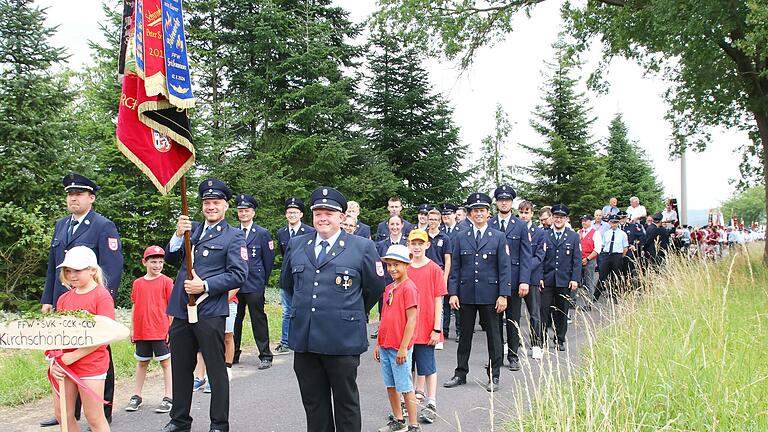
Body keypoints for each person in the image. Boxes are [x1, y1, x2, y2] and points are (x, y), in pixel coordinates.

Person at [280, 186, 386, 432]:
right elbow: (288, 284)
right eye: (318, 213)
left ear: (341, 217)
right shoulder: (297, 245)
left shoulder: (361, 247)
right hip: (306, 341)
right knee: (314, 404)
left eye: (329, 213)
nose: (323, 218)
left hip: (342, 340)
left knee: (346, 404)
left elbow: (373, 288)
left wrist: (346, 312)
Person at [162, 178, 248, 432]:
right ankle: (179, 421)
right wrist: (178, 235)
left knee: (215, 369)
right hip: (181, 309)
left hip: (210, 311)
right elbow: (170, 257)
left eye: (216, 203)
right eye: (207, 203)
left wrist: (206, 286)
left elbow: (238, 274)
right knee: (180, 367)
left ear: (225, 206)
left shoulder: (233, 237)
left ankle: (219, 424)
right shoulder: (192, 230)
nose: (211, 207)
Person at [40, 173, 123, 428]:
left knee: (96, 353)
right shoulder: (61, 225)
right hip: (64, 301)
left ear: (91, 198)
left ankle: (100, 409)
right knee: (66, 351)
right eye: (70, 194)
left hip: (93, 305)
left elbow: (112, 267)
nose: (73, 198)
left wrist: (102, 305)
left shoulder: (102, 225)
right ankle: (67, 410)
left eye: (79, 194)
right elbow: (55, 266)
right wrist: (48, 299)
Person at [443, 192, 511, 392]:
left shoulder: (498, 237)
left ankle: (494, 375)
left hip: (490, 295)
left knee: (494, 336)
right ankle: (460, 373)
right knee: (464, 336)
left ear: (488, 213)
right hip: (466, 294)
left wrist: (503, 295)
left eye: (482, 210)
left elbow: (504, 268)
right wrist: (453, 293)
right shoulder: (460, 237)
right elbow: (455, 267)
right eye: (475, 211)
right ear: (470, 214)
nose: (478, 214)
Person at [47, 246, 114, 432]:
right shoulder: (63, 299)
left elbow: (106, 335)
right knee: (63, 415)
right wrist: (55, 360)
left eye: (77, 270)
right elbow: (58, 333)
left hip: (91, 364)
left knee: (94, 417)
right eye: (67, 271)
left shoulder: (102, 296)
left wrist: (73, 356)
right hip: (64, 365)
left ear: (92, 270)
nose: (71, 275)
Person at [374, 244, 421, 432]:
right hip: (385, 344)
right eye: (390, 265)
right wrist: (378, 343)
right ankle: (398, 419)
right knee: (390, 385)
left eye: (397, 265)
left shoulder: (409, 288)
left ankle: (413, 424)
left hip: (399, 347)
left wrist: (403, 347)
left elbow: (411, 320)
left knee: (405, 386)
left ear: (406, 265)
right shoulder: (389, 288)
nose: (392, 269)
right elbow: (384, 318)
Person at [488, 185, 533, 372]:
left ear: (512, 203)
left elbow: (526, 255)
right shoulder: (490, 225)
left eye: (507, 200)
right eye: (500, 200)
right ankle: (496, 357)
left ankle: (513, 355)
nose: (504, 202)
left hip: (514, 281)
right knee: (494, 322)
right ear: (496, 202)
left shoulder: (520, 226)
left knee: (513, 319)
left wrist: (524, 280)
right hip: (493, 281)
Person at [404, 230, 446, 424]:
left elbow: (438, 300)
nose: (417, 247)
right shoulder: (404, 268)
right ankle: (408, 404)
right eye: (414, 243)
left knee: (428, 367)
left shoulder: (434, 269)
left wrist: (437, 328)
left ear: (428, 245)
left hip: (427, 326)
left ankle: (431, 403)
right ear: (408, 244)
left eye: (421, 243)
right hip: (407, 329)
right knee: (407, 368)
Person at [126, 245, 173, 414]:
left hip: (160, 329)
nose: (157, 265)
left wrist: (170, 329)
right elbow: (134, 305)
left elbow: (172, 307)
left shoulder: (167, 281)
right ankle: (136, 396)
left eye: (160, 262)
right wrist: (132, 329)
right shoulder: (137, 283)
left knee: (166, 363)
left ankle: (168, 397)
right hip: (142, 330)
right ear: (144, 262)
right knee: (142, 362)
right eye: (153, 261)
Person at [232, 194, 275, 368]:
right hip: (235, 284)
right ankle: (233, 354)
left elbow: (269, 260)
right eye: (241, 211)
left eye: (246, 210)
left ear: (253, 213)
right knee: (235, 319)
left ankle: (265, 355)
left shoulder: (262, 233)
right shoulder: (233, 232)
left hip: (254, 283)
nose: (243, 213)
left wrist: (261, 281)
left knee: (258, 319)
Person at [275, 197, 315, 355]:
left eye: (295, 212)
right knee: (287, 311)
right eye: (289, 212)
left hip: (304, 276)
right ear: (285, 214)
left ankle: (305, 338)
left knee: (305, 308)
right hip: (287, 277)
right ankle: (285, 341)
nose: (292, 215)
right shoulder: (281, 233)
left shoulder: (310, 232)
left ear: (301, 214)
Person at [539, 204, 581, 351]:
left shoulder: (573, 236)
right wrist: (539, 277)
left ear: (566, 219)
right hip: (547, 280)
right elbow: (541, 258)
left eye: (561, 217)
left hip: (564, 280)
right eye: (556, 217)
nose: (558, 220)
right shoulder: (544, 235)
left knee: (562, 311)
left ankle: (559, 339)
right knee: (543, 310)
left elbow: (576, 260)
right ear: (552, 218)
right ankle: (541, 339)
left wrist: (575, 278)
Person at [517, 200, 545, 358]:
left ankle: (536, 344)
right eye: (521, 212)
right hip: (515, 278)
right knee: (513, 314)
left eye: (526, 212)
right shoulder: (514, 229)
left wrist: (524, 269)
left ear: (532, 214)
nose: (523, 215)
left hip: (531, 278)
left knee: (534, 313)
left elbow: (540, 255)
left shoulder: (539, 233)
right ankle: (512, 343)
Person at [438, 203, 462, 342]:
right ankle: (444, 331)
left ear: (454, 215)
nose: (446, 216)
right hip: (442, 271)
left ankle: (459, 331)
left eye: (449, 214)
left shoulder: (462, 230)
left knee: (457, 302)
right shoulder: (440, 231)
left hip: (457, 271)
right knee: (444, 303)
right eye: (444, 214)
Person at [595, 214, 629, 301]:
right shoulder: (606, 233)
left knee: (616, 277)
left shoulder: (623, 234)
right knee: (602, 276)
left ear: (618, 223)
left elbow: (625, 248)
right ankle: (595, 296)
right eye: (612, 222)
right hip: (607, 255)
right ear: (609, 223)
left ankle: (615, 296)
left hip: (617, 255)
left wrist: (621, 257)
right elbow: (603, 245)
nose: (614, 224)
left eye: (616, 223)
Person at [578, 215, 602, 307]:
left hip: (590, 259)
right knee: (576, 280)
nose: (584, 222)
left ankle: (588, 303)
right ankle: (572, 301)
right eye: (582, 221)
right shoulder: (579, 232)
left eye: (586, 221)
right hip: (579, 259)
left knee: (589, 281)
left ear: (590, 222)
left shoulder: (595, 233)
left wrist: (587, 259)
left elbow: (597, 249)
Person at [424, 208, 451, 279]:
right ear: (427, 220)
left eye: (435, 220)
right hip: (424, 270)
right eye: (431, 219)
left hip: (439, 272)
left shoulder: (445, 238)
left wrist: (445, 277)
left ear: (440, 221)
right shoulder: (423, 236)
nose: (433, 222)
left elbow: (447, 259)